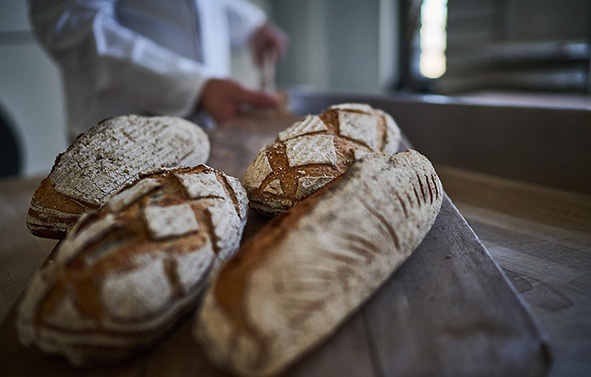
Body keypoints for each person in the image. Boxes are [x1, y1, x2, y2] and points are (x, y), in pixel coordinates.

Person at [27, 0, 288, 140]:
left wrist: (252, 23)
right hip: (120, 131)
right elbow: (71, 26)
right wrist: (193, 86)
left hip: (206, 124)